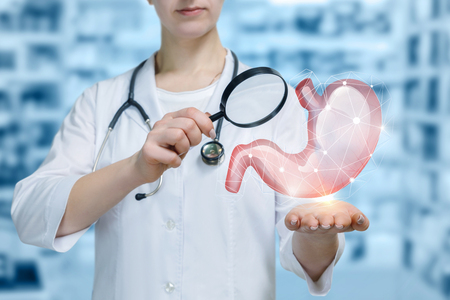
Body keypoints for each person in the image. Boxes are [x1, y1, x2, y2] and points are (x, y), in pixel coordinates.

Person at [11, 0, 370, 299]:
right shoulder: (100, 102)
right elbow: (31, 215)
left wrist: (316, 232)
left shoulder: (275, 102)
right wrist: (134, 169)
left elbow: (303, 243)